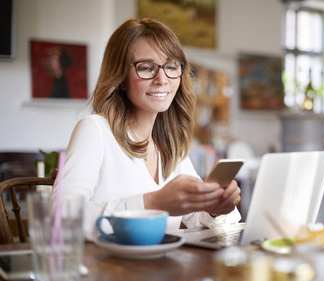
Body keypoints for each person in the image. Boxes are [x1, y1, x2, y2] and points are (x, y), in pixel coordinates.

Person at [52, 17, 241, 240]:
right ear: (121, 77)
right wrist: (151, 203)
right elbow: (60, 218)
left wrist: (215, 208)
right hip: (106, 271)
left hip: (161, 271)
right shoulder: (95, 130)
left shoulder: (171, 145)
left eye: (171, 66)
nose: (162, 79)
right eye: (146, 67)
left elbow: (204, 218)